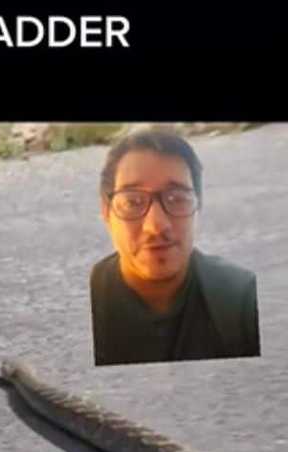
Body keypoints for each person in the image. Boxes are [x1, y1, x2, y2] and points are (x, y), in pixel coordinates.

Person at [90, 129, 260, 366]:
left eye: (177, 198)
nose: (156, 226)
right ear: (106, 212)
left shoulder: (242, 299)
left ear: (198, 208)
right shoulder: (87, 306)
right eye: (133, 202)